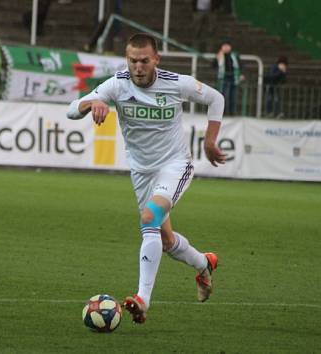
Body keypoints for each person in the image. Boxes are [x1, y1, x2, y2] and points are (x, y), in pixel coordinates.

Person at [67, 33, 225, 324]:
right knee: (164, 240)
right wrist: (92, 103)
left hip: (175, 165)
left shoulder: (176, 83)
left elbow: (216, 98)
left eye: (143, 61)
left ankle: (142, 299)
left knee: (148, 217)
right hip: (141, 171)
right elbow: (70, 111)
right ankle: (204, 264)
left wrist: (209, 141)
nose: (137, 67)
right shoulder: (117, 83)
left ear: (156, 59)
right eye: (132, 61)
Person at [213, 40, 244, 115]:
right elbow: (213, 66)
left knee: (233, 95)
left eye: (227, 46)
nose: (226, 48)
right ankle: (223, 112)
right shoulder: (219, 55)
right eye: (224, 46)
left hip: (234, 77)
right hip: (223, 77)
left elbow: (240, 65)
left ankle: (232, 112)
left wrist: (241, 74)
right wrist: (217, 59)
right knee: (223, 95)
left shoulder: (234, 55)